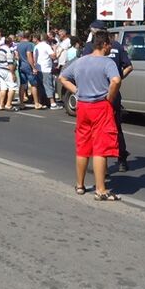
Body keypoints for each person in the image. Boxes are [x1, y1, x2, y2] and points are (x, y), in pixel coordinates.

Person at [58, 30, 122, 201]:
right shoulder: (107, 63)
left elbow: (62, 78)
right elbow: (116, 80)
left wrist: (77, 92)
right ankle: (100, 189)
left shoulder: (80, 61)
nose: (111, 47)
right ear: (104, 44)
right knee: (100, 148)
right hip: (100, 106)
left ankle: (80, 185)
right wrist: (110, 96)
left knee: (83, 145)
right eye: (110, 44)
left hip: (83, 107)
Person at [80, 20, 134, 172]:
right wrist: (116, 79)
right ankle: (122, 159)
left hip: (96, 95)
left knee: (94, 130)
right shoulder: (116, 45)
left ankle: (98, 164)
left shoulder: (91, 47)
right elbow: (129, 66)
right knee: (116, 127)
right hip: (113, 93)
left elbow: (84, 66)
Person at [17, 31, 39, 109]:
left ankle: (21, 103)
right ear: (29, 37)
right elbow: (29, 55)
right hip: (28, 66)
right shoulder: (30, 45)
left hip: (21, 65)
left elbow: (17, 56)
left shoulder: (19, 45)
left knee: (22, 84)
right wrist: (33, 67)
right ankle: (36, 103)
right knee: (33, 84)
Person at [34, 33, 56, 107]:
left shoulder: (36, 46)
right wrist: (55, 49)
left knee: (41, 86)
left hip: (38, 68)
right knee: (48, 86)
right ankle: (52, 103)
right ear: (47, 39)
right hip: (46, 68)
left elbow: (34, 57)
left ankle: (42, 102)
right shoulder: (47, 46)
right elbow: (53, 56)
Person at [0, 35, 18, 110]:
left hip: (0, 69)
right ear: (10, 42)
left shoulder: (0, 49)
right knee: (12, 87)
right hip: (7, 70)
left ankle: (1, 104)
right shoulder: (8, 50)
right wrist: (13, 74)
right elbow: (10, 63)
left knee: (3, 88)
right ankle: (8, 104)